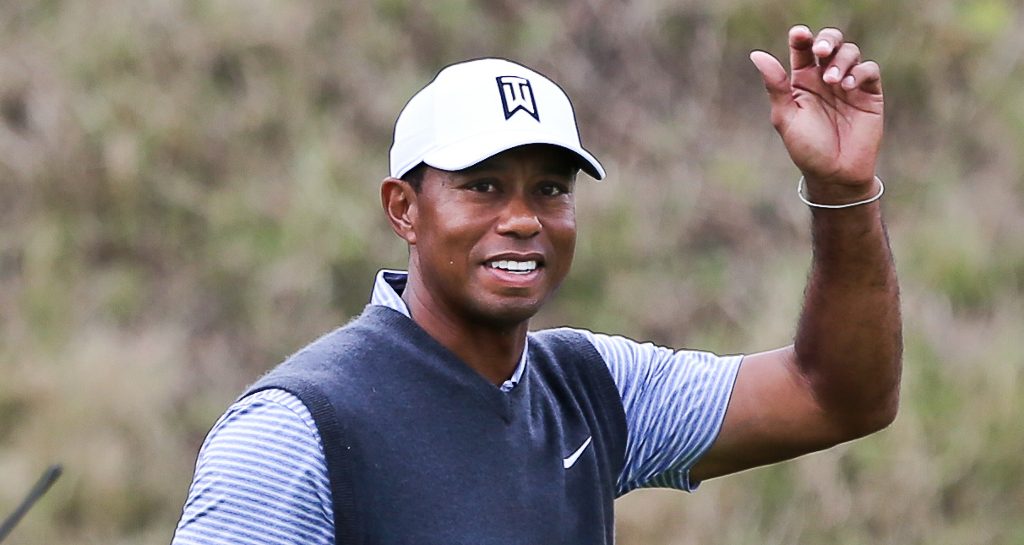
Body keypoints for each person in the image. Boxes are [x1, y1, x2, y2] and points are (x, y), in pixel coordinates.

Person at [172, 25, 901, 544]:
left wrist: (842, 190)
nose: (522, 219)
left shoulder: (591, 388)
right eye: (483, 186)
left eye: (550, 189)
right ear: (405, 208)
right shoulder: (297, 430)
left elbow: (835, 395)